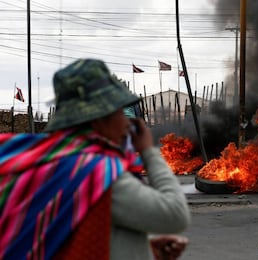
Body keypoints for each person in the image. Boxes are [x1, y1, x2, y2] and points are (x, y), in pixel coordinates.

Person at [0, 58, 191, 260]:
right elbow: (175, 214)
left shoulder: (52, 163)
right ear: (100, 117)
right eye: (120, 111)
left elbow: (67, 238)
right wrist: (149, 151)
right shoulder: (97, 173)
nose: (128, 122)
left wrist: (143, 248)